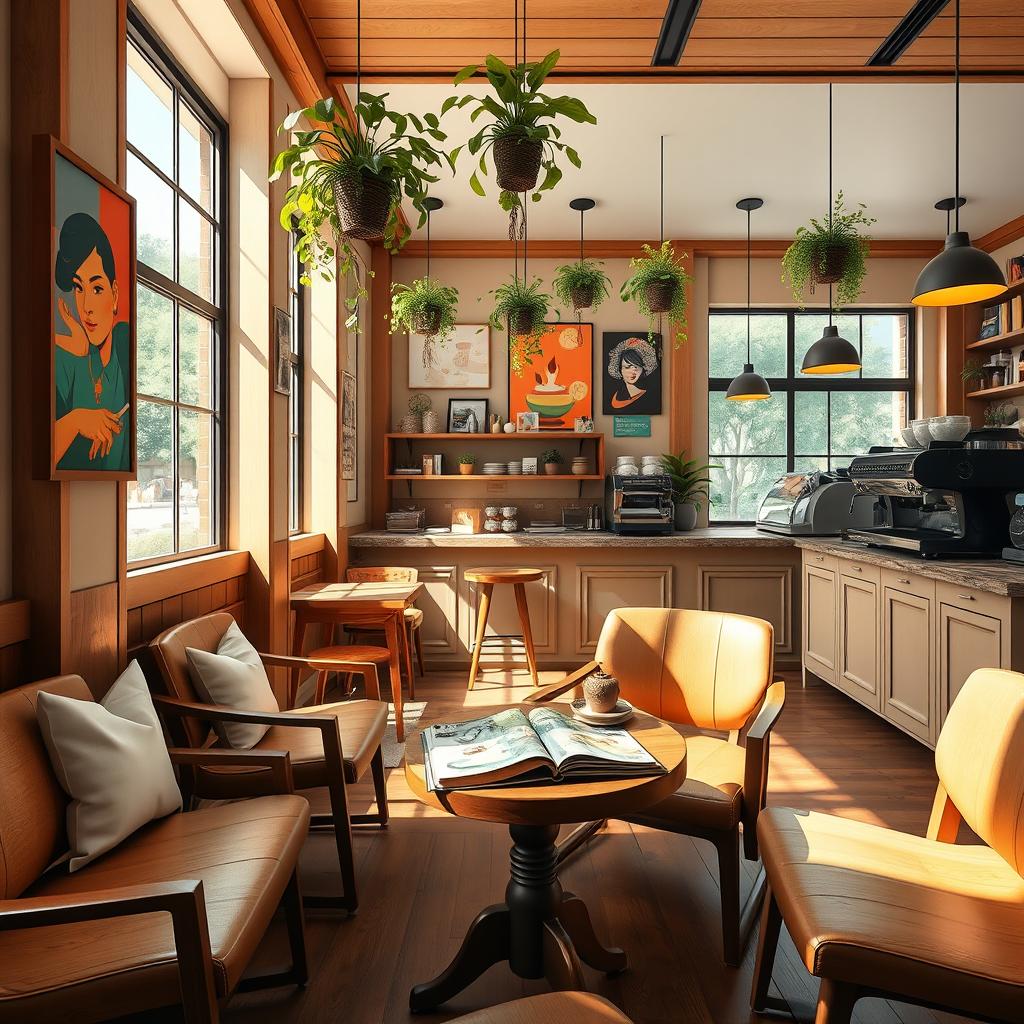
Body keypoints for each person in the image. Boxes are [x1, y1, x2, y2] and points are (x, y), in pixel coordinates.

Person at [53, 212, 130, 471]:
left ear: (115, 294)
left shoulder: (124, 346)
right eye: (78, 288)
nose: (86, 307)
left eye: (97, 289)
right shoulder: (65, 362)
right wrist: (75, 422)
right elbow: (35, 453)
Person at [606, 336, 658, 410]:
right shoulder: (616, 395)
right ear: (620, 369)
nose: (633, 372)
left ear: (643, 368)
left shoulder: (650, 397)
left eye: (636, 367)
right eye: (627, 367)